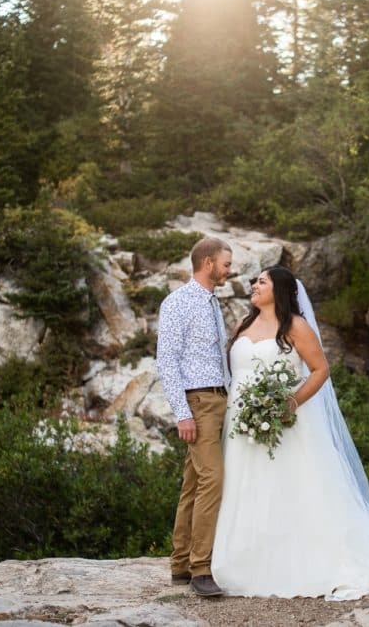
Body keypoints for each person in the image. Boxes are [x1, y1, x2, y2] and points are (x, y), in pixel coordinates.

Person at [212, 265, 369, 600]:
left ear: (281, 290)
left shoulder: (295, 326)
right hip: (243, 422)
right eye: (255, 281)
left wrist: (291, 402)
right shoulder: (243, 324)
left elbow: (320, 370)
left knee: (288, 487)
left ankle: (296, 559)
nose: (254, 285)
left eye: (262, 281)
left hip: (284, 422)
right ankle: (243, 558)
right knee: (245, 485)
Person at [155, 237, 234, 597]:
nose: (229, 270)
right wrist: (182, 413)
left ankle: (181, 565)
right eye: (226, 264)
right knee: (213, 480)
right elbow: (167, 361)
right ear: (207, 263)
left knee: (193, 484)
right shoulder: (178, 303)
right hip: (198, 403)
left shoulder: (212, 302)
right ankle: (202, 568)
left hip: (218, 400)